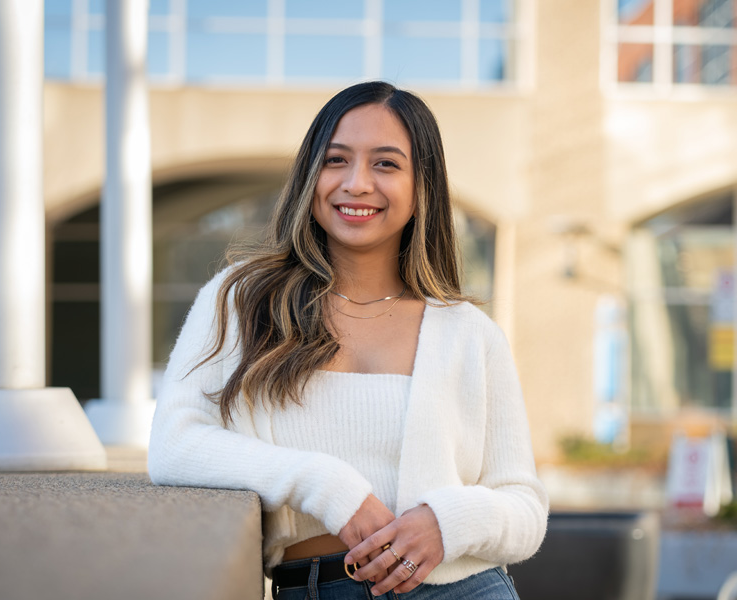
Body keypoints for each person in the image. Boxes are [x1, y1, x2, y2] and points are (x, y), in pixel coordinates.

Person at [148, 81, 548, 599]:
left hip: (464, 587)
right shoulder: (242, 299)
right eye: (337, 160)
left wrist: (447, 521)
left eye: (386, 164)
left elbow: (525, 507)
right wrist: (327, 485)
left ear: (421, 185)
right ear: (310, 175)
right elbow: (174, 445)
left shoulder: (470, 334)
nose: (357, 183)